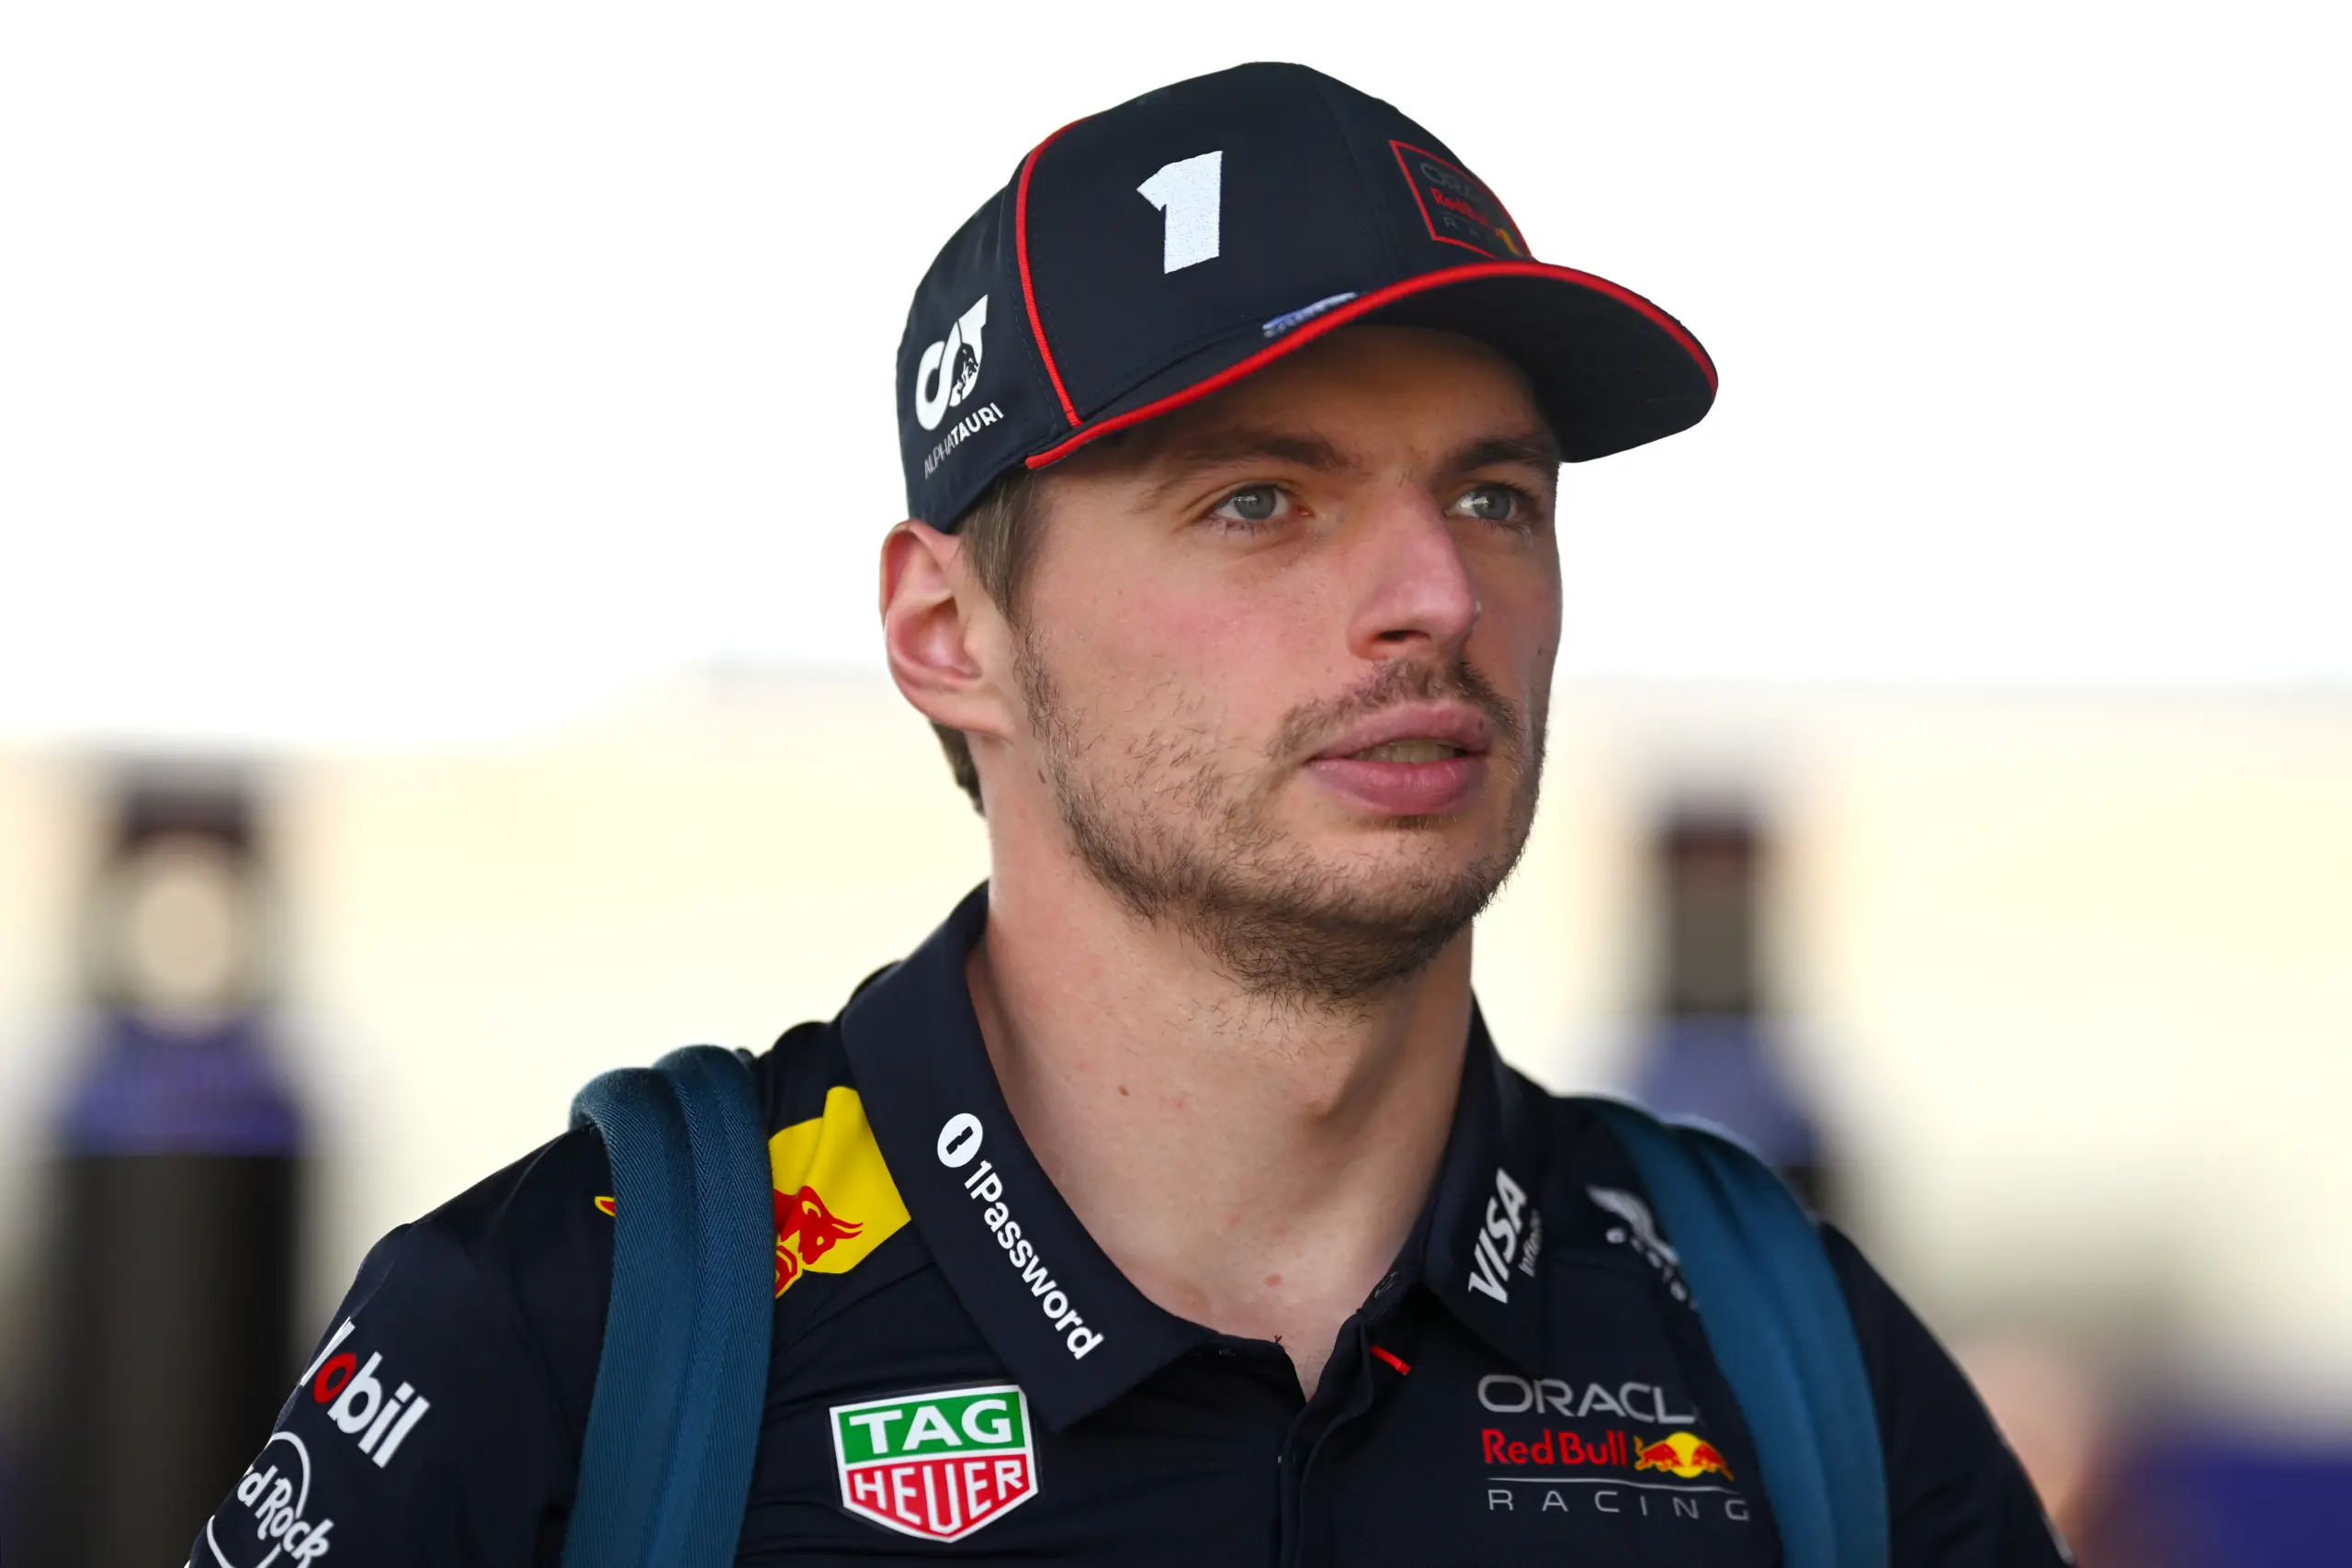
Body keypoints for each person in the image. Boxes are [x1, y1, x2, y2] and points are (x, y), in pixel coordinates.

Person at [192, 62, 2068, 1567]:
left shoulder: (1778, 1344)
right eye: (1259, 501)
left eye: (1494, 497)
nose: (1432, 593)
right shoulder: (587, 1325)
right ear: (950, 634)